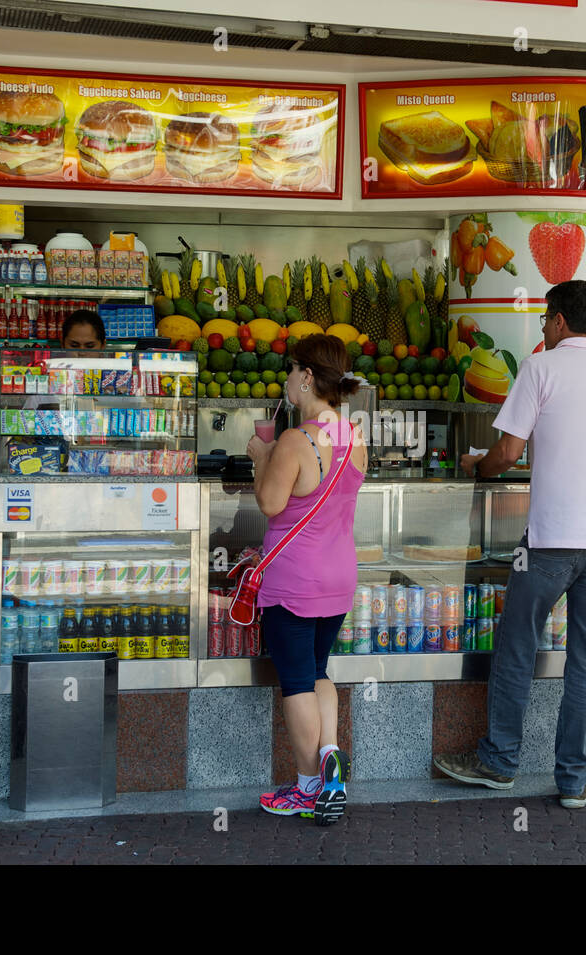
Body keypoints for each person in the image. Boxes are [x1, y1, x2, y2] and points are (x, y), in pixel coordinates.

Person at [436, 280, 586, 808]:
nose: (543, 326)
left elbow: (508, 450)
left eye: (545, 318)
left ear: (561, 321)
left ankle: (499, 762)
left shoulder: (540, 368)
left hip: (548, 543)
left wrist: (480, 465)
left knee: (518, 646)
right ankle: (572, 782)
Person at [246, 335, 367, 824]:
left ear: (309, 377)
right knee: (318, 671)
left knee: (296, 682)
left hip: (294, 582)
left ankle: (306, 788)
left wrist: (261, 456)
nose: (287, 378)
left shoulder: (296, 441)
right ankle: (330, 760)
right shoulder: (355, 437)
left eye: (292, 369)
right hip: (339, 579)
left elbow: (270, 504)